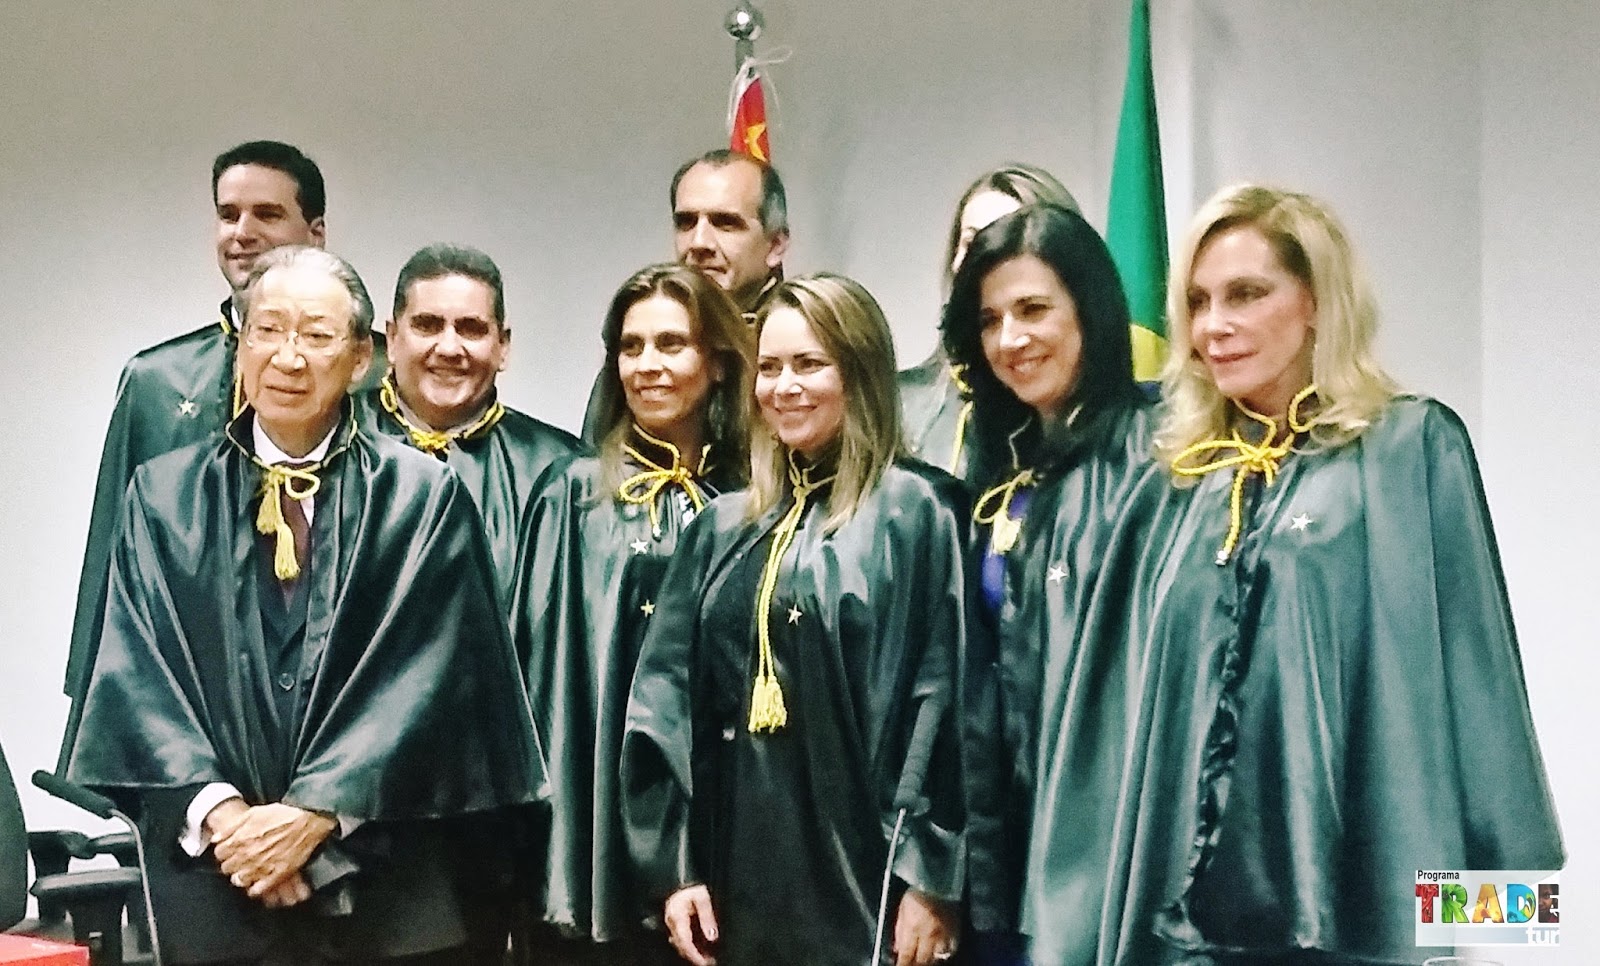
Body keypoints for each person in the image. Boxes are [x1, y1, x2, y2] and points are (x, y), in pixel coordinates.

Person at [1026, 184, 1565, 965]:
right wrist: (1068, 929)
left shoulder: (1408, 449)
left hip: (1351, 919)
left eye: (1246, 294)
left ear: (1315, 301)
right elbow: (1105, 735)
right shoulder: (1170, 484)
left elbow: (1478, 694)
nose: (1214, 325)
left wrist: (1499, 921)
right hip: (1181, 932)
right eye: (1199, 302)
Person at [65, 246, 540, 965]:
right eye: (268, 330)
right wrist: (228, 821)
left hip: (389, 895)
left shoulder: (421, 499)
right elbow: (138, 676)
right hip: (218, 888)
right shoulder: (163, 498)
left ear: (360, 359)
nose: (288, 358)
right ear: (241, 347)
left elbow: (434, 683)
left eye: (316, 336)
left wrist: (318, 814)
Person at [621, 274, 980, 966]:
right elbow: (665, 703)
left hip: (869, 885)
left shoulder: (919, 513)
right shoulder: (723, 527)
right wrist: (677, 867)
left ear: (860, 372)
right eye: (770, 367)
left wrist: (933, 880)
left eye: (809, 364)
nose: (784, 387)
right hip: (737, 883)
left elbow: (947, 703)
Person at [59, 140, 388, 770]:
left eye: (267, 213)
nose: (242, 232)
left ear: (316, 232)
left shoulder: (372, 373)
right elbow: (113, 563)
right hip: (189, 699)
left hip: (336, 703)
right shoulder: (157, 381)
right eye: (228, 214)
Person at [511, 263, 754, 964]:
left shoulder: (752, 499)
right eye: (630, 346)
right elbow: (536, 674)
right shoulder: (572, 495)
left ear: (717, 362)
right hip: (597, 805)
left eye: (671, 344)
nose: (647, 364)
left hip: (725, 811)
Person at [938, 204, 1154, 962]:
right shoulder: (998, 467)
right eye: (990, 320)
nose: (1010, 339)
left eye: (1033, 310)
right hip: (1013, 850)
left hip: (1120, 852)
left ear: (1090, 310)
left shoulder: (1159, 457)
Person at [360, 243, 578, 600]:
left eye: (471, 329)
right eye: (428, 326)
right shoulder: (335, 440)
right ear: (394, 338)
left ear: (503, 346)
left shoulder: (559, 471)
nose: (448, 348)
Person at [581, 149, 789, 440]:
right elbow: (602, 456)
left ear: (775, 245)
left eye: (725, 223)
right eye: (686, 223)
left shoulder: (808, 337)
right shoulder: (642, 340)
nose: (699, 243)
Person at [900, 164, 1079, 477]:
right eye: (972, 242)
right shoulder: (899, 405)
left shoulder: (1118, 433)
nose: (985, 257)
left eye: (1008, 238)